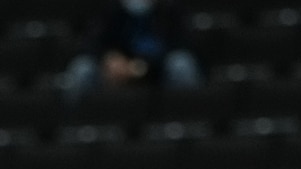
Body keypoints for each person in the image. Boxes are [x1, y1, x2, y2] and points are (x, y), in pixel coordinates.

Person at [61, 0, 201, 101]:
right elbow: (90, 43)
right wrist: (108, 58)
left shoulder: (171, 9)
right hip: (114, 73)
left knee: (182, 65)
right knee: (82, 69)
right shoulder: (111, 8)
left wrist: (142, 66)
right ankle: (75, 128)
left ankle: (186, 124)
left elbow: (183, 44)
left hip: (158, 72)